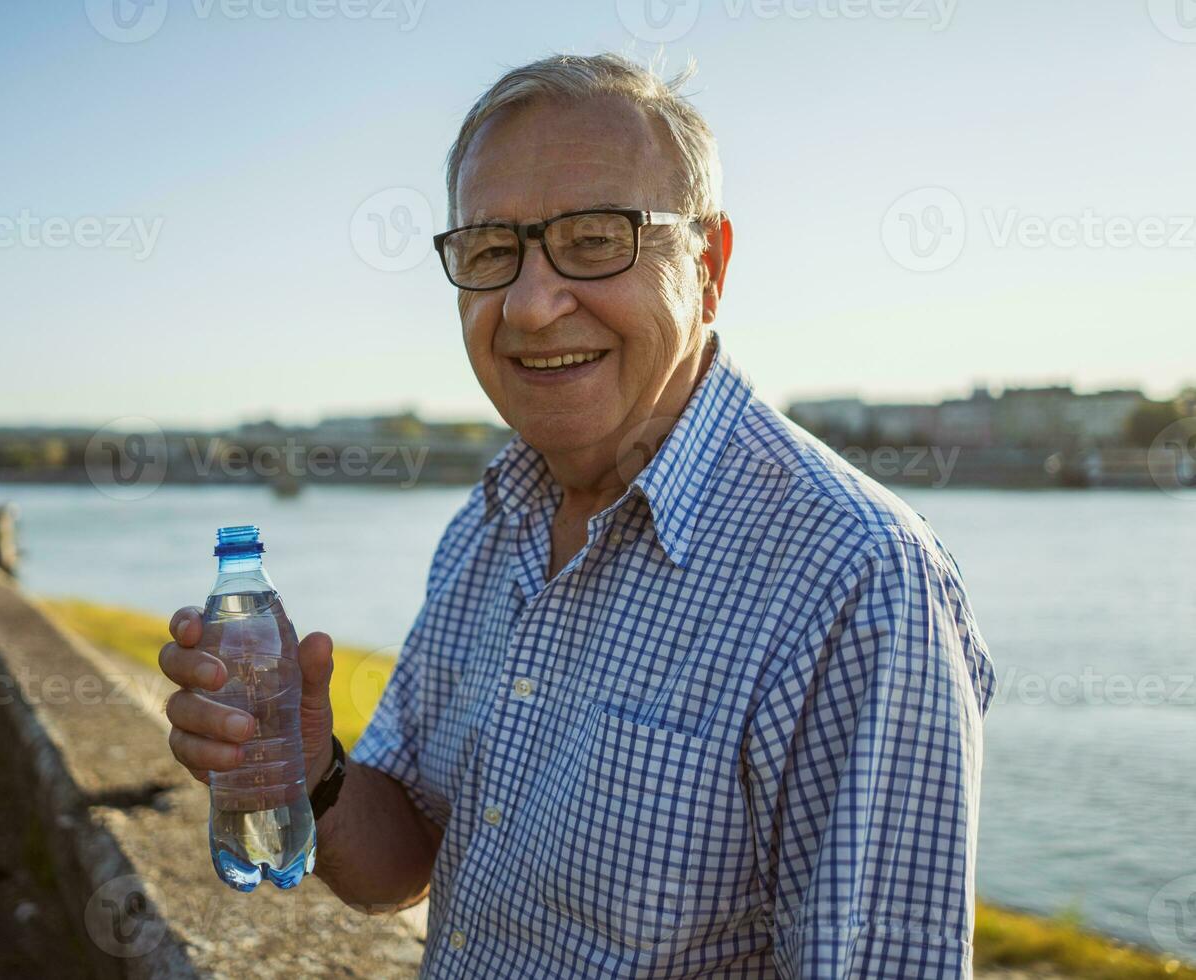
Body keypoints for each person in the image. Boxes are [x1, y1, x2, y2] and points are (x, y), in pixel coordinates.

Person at [159, 52, 995, 979]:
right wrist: (314, 770)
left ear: (709, 268)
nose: (529, 304)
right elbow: (402, 867)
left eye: (596, 240)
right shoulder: (490, 525)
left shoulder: (856, 581)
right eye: (489, 251)